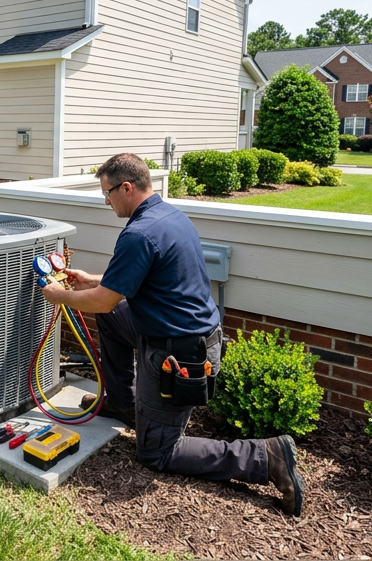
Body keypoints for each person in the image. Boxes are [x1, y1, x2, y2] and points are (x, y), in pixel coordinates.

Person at [40, 152, 305, 516]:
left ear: (127, 187)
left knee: (157, 453)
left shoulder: (138, 232)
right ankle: (122, 402)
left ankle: (265, 456)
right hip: (177, 332)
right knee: (116, 317)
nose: (106, 201)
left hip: (180, 354)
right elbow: (129, 285)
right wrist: (93, 280)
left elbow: (100, 302)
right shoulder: (169, 217)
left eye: (108, 193)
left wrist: (60, 296)